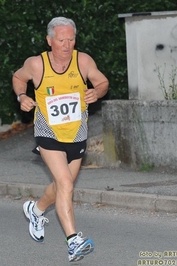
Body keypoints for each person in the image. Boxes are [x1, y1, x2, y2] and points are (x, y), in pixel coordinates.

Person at [12, 17, 108, 262]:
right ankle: (73, 241)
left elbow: (102, 81)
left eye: (71, 39)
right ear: (49, 40)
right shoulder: (36, 64)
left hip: (77, 132)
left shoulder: (83, 61)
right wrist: (22, 96)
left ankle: (36, 210)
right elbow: (17, 77)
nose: (67, 44)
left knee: (61, 186)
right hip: (48, 132)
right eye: (61, 39)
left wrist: (97, 91)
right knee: (65, 183)